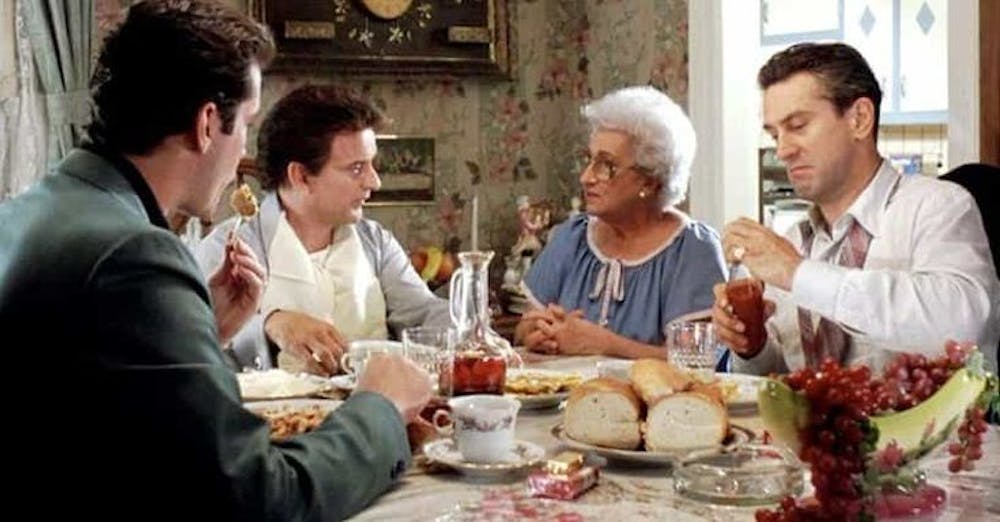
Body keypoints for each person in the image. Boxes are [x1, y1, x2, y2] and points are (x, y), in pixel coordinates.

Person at [0, 1, 432, 520]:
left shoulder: (34, 210)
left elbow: (110, 415)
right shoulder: (136, 254)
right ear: (208, 123)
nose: (246, 151)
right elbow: (258, 499)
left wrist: (201, 325)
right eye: (246, 122)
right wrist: (379, 409)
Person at [712, 42, 1000, 375]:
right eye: (774, 133)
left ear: (860, 119)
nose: (782, 150)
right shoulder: (792, 242)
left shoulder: (938, 206)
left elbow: (959, 327)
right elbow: (781, 382)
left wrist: (798, 274)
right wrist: (754, 346)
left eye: (798, 125)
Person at [195, 85, 450, 376]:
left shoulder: (375, 241)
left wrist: (478, 336)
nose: (374, 182)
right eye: (356, 168)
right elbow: (195, 341)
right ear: (300, 176)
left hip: (375, 409)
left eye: (371, 165)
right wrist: (271, 323)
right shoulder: (229, 249)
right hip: (277, 418)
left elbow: (424, 313)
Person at [516, 86, 726, 359]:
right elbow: (521, 328)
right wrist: (539, 332)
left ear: (650, 181)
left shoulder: (691, 249)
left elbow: (697, 360)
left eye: (606, 165)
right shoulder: (573, 236)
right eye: (589, 160)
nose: (586, 177)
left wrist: (606, 346)